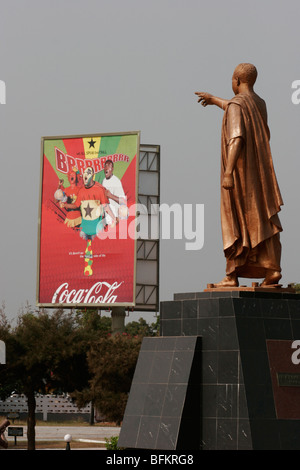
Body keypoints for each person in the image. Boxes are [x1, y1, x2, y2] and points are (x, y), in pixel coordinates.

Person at [195, 63, 283, 287]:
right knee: (263, 217)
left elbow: (237, 137)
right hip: (260, 177)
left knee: (236, 219)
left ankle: (232, 274)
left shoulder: (237, 105)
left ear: (236, 80)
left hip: (241, 177)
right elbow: (235, 108)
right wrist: (215, 100)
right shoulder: (259, 103)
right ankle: (272, 268)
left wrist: (228, 172)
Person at [102, 160, 127, 224]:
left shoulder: (116, 181)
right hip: (107, 219)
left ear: (112, 169)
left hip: (115, 219)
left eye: (109, 166)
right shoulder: (104, 181)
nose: (106, 168)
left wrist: (111, 196)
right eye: (105, 166)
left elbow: (123, 201)